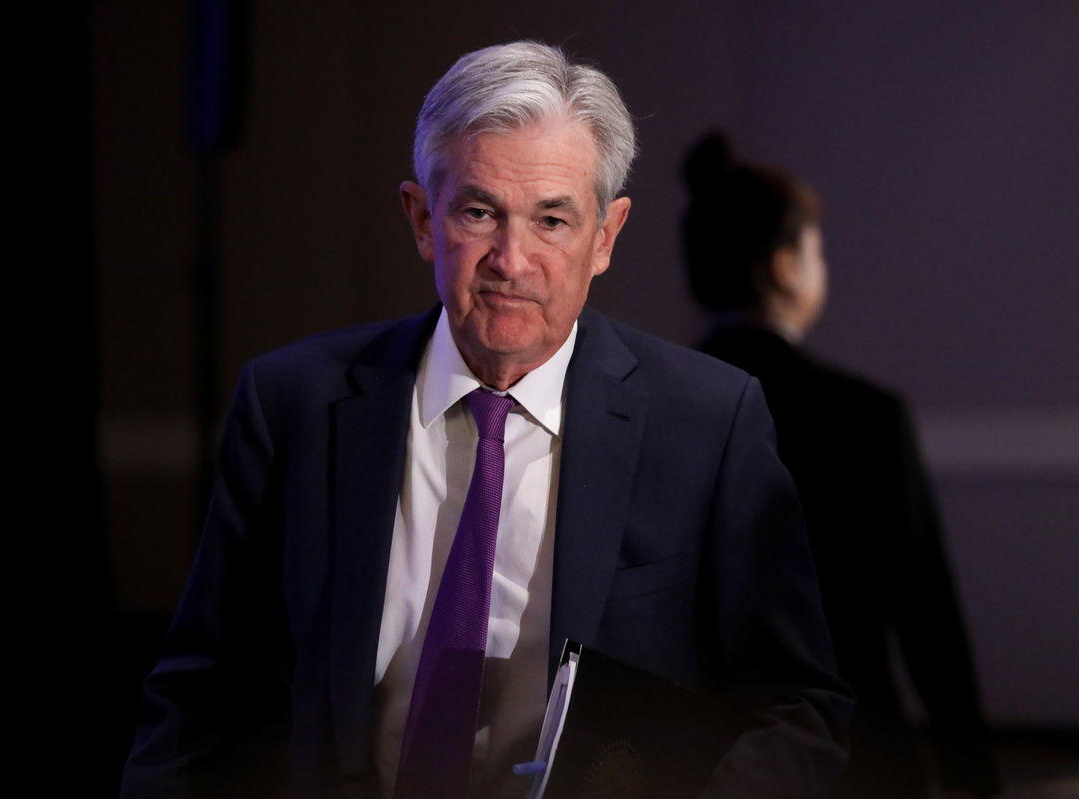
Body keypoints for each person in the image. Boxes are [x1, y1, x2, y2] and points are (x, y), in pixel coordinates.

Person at [121, 43, 852, 799]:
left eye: (552, 220)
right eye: (479, 212)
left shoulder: (707, 423)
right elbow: (198, 709)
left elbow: (800, 707)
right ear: (422, 218)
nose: (512, 258)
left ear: (605, 236)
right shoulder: (293, 405)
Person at [679, 131, 1002, 799]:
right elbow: (929, 624)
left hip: (694, 756)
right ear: (785, 265)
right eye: (817, 249)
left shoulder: (653, 405)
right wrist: (974, 780)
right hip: (855, 755)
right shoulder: (863, 415)